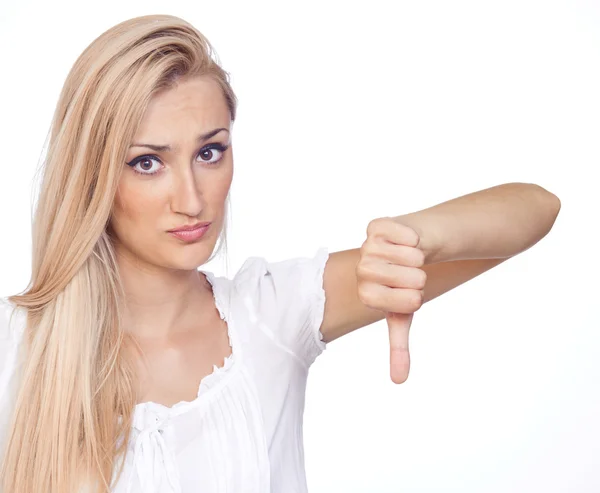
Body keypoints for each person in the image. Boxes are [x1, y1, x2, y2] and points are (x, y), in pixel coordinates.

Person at [0, 13, 561, 493]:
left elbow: (537, 207)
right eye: (148, 162)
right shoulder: (17, 349)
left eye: (210, 152)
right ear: (92, 173)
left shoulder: (270, 314)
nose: (191, 199)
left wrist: (415, 238)